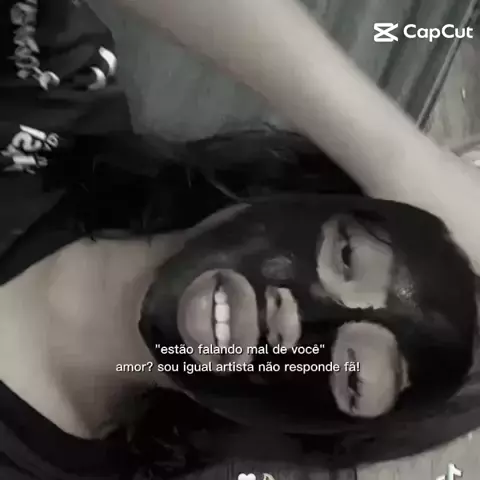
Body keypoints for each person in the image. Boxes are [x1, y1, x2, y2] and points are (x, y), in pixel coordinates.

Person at [0, 1, 479, 479]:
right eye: (348, 255)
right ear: (298, 194)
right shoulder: (52, 91)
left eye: (352, 376)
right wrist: (402, 159)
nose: (290, 319)